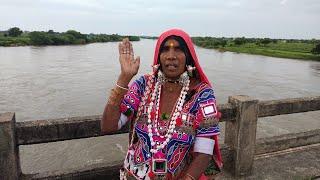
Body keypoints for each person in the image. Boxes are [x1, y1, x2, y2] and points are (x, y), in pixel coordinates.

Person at [101, 29, 222, 180]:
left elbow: (204, 152)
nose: (171, 56)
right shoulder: (144, 85)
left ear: (188, 56)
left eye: (178, 49)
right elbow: (108, 126)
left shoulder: (202, 94)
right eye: (165, 49)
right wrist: (124, 79)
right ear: (159, 56)